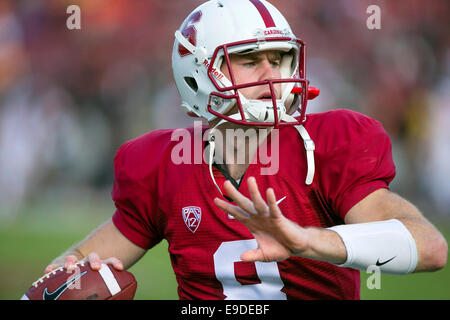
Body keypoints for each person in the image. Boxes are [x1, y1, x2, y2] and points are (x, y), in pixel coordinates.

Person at [45, 0, 447, 299]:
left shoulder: (325, 147)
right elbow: (80, 259)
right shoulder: (163, 165)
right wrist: (69, 274)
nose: (274, 75)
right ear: (199, 72)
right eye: (251, 60)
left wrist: (307, 241)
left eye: (280, 58)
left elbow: (430, 248)